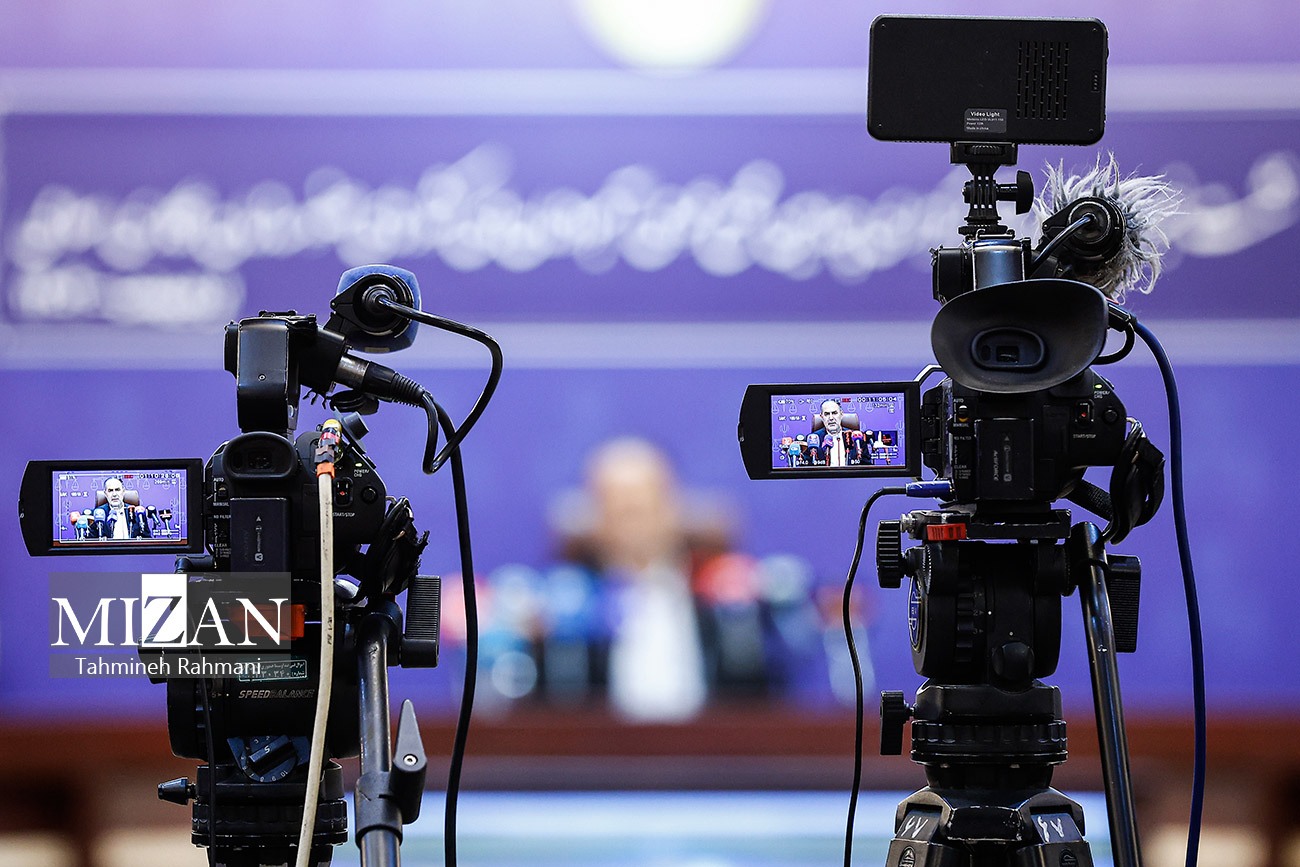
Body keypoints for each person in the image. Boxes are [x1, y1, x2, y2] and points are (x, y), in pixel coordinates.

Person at [817, 399, 853, 467]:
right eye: (827, 414)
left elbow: (866, 466)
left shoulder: (855, 438)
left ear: (841, 414)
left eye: (834, 413)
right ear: (821, 417)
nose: (831, 418)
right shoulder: (814, 439)